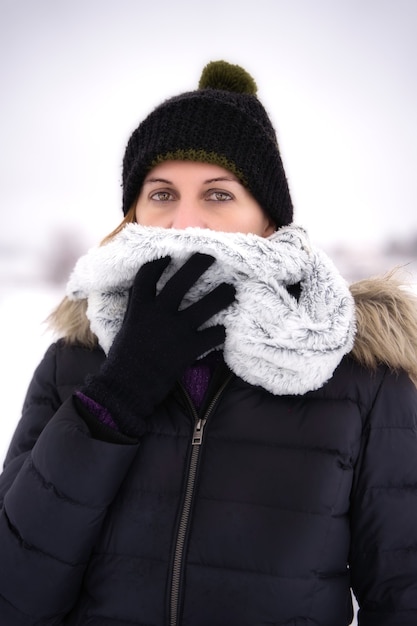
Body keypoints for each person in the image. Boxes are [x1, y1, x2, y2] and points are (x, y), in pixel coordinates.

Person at [1, 60, 417, 626]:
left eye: (218, 195)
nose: (184, 222)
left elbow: (403, 593)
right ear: (135, 213)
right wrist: (116, 397)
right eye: (162, 193)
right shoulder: (76, 363)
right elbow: (15, 596)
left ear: (268, 218)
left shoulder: (364, 373)